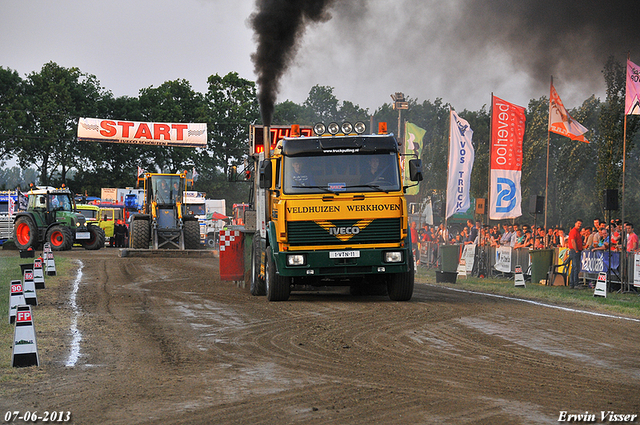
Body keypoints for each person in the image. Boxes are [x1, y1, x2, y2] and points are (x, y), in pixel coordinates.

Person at [567, 219, 583, 288]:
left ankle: (572, 283)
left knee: (574, 268)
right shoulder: (573, 231)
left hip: (575, 250)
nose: (579, 225)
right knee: (576, 267)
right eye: (578, 223)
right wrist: (576, 250)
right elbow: (573, 241)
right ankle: (575, 283)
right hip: (574, 251)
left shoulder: (577, 232)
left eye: (580, 224)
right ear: (575, 223)